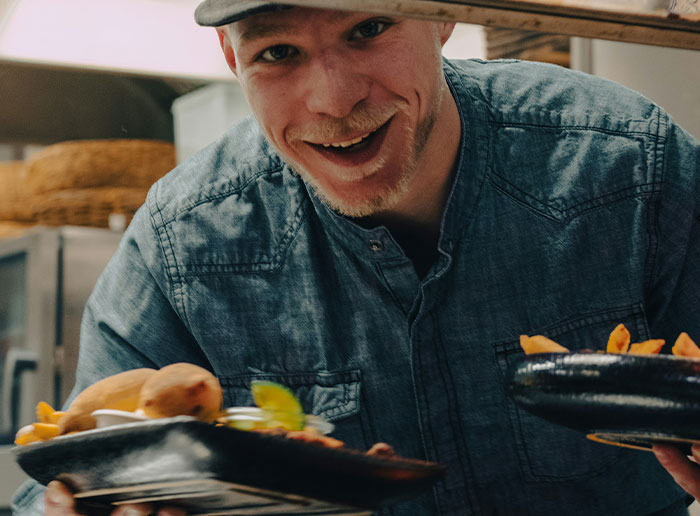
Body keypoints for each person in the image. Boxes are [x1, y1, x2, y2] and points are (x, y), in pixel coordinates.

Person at [11, 1, 700, 515]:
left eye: (367, 29)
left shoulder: (629, 166)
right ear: (231, 58)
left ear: (441, 16)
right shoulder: (183, 243)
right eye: (277, 53)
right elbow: (69, 477)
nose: (334, 100)